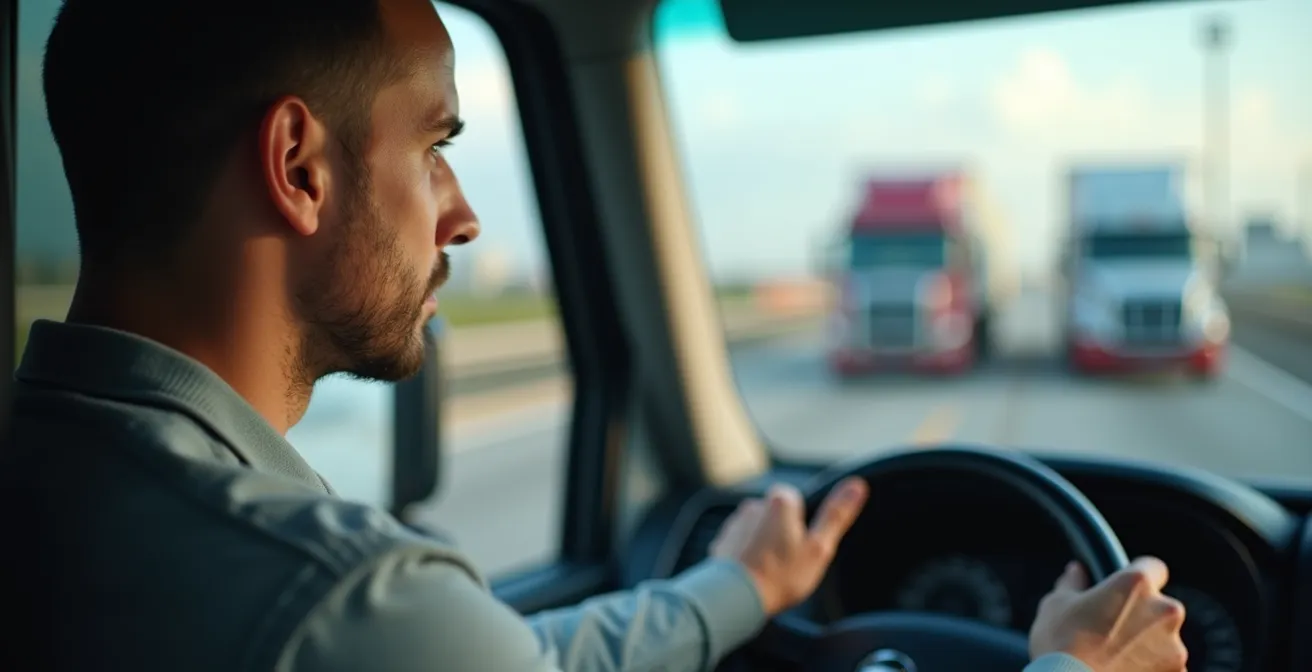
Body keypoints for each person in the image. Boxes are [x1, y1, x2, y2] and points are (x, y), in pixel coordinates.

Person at [4, 0, 1188, 670]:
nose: (461, 215)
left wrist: (737, 584)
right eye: (435, 150)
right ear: (298, 166)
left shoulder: (65, 486)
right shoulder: (330, 600)